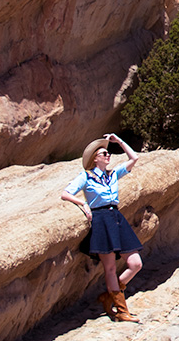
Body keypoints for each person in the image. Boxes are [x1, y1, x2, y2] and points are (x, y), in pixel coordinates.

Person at [61, 133, 143, 321]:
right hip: (101, 218)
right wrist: (83, 203)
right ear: (95, 158)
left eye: (108, 153)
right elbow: (66, 193)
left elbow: (134, 158)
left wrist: (119, 141)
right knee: (110, 268)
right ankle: (121, 310)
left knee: (135, 263)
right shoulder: (86, 177)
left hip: (116, 217)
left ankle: (108, 297)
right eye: (104, 153)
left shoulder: (113, 174)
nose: (108, 155)